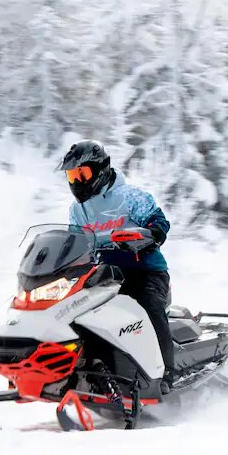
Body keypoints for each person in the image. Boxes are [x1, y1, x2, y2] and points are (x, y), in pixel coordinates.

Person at [57, 140, 178, 395]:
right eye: (72, 175)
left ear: (100, 170)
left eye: (82, 173)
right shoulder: (77, 210)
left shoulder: (130, 196)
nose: (77, 181)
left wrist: (150, 235)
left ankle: (167, 372)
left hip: (144, 269)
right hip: (103, 275)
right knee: (73, 310)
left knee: (148, 305)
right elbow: (75, 242)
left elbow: (159, 221)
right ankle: (76, 371)